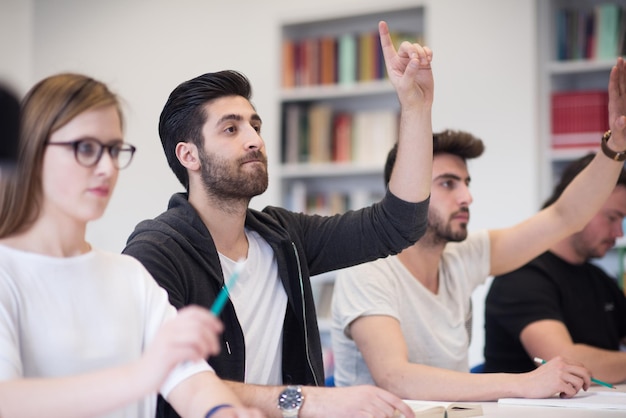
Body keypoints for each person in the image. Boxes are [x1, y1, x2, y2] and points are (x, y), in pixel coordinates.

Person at [123, 20, 431, 418]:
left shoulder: (283, 237)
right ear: (189, 156)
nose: (254, 139)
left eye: (255, 125)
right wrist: (307, 401)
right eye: (231, 129)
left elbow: (398, 224)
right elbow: (167, 377)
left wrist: (416, 106)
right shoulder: (157, 250)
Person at [330, 56, 626, 402]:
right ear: (406, 189)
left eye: (466, 183)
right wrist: (524, 383)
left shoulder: (461, 255)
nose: (467, 196)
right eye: (447, 184)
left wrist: (615, 146)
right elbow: (396, 377)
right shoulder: (367, 268)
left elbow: (564, 217)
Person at [0, 73, 264, 418]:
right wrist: (141, 375)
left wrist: (221, 410)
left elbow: (188, 376)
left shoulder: (129, 275)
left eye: (113, 149)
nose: (107, 168)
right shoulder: (7, 273)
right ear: (32, 151)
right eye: (86, 148)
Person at [484, 152, 626, 384]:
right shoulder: (521, 275)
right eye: (612, 218)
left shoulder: (600, 280)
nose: (619, 233)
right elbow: (566, 362)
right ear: (579, 205)